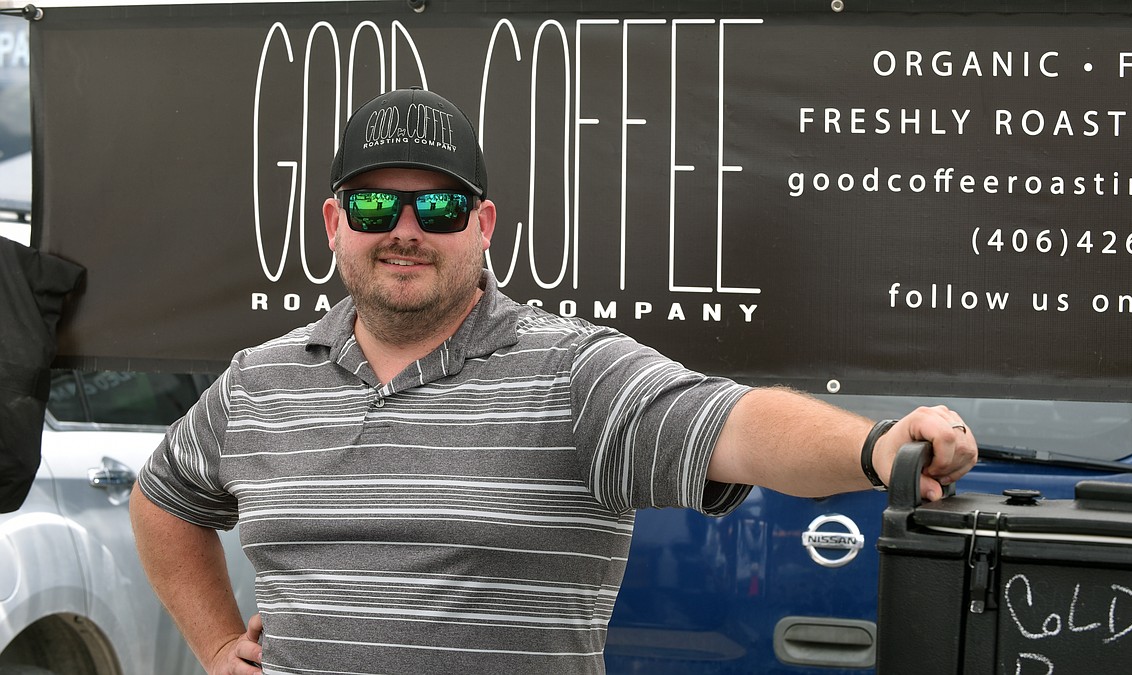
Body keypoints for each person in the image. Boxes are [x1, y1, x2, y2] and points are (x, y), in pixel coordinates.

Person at [129, 87, 978, 675]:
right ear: (334, 223)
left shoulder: (575, 371)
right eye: (379, 207)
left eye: (442, 208)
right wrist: (212, 645)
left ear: (485, 225)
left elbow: (736, 426)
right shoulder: (259, 381)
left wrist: (875, 446)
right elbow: (162, 498)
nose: (408, 231)